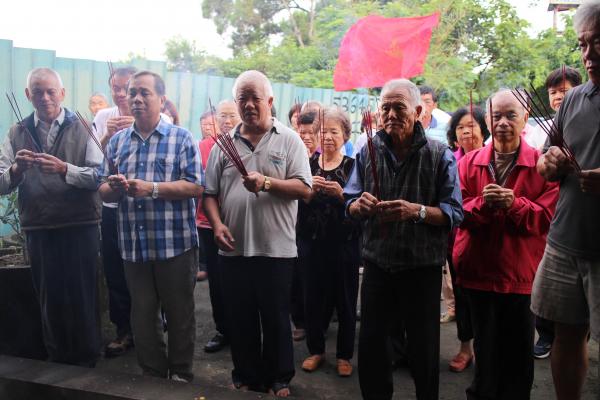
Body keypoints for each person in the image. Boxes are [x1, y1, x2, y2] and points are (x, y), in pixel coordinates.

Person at [345, 78, 463, 400]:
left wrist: (417, 211)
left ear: (419, 111)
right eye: (386, 107)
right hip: (377, 265)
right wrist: (358, 206)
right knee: (372, 346)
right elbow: (349, 202)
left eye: (400, 107)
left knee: (424, 350)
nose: (392, 114)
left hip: (421, 268)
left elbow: (454, 212)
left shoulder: (440, 155)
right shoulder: (366, 151)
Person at [203, 70, 312, 397]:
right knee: (240, 317)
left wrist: (267, 182)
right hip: (233, 248)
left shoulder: (289, 139)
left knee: (277, 318)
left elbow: (305, 189)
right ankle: (246, 374)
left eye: (255, 98)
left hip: (276, 249)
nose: (249, 105)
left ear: (270, 101)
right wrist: (218, 224)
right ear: (236, 103)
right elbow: (209, 193)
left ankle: (279, 377)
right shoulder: (223, 145)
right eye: (242, 99)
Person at [98, 70, 203, 382]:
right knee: (142, 315)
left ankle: (181, 374)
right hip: (133, 245)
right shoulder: (117, 143)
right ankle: (153, 374)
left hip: (175, 245)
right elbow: (103, 189)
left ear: (161, 99)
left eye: (144, 93)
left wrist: (151, 188)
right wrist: (115, 187)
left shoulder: (181, 138)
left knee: (179, 313)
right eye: (132, 93)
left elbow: (196, 186)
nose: (136, 99)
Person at [454, 90, 559, 400]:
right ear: (486, 120)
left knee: (517, 356)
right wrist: (483, 206)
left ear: (525, 118)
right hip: (478, 272)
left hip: (521, 276)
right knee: (485, 352)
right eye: (496, 116)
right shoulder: (469, 163)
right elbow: (455, 210)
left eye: (510, 115)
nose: (502, 123)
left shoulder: (542, 165)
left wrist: (515, 205)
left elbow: (549, 219)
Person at [0, 68, 103, 366]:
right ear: (27, 95)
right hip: (39, 225)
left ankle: (88, 359)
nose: (44, 97)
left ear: (62, 94)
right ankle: (58, 359)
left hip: (79, 223)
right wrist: (17, 170)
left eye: (50, 91)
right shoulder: (17, 131)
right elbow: (2, 183)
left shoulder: (83, 126)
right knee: (50, 297)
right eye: (37, 91)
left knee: (83, 295)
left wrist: (63, 169)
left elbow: (99, 176)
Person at [532, 3, 600, 399]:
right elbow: (544, 162)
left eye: (598, 42)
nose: (589, 55)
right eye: (583, 45)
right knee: (566, 334)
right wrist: (550, 162)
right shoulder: (573, 101)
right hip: (563, 242)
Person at [298, 106, 360, 377]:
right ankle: (316, 350)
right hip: (312, 245)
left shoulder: (354, 167)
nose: (328, 136)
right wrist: (306, 192)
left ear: (345, 134)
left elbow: (360, 205)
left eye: (334, 131)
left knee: (345, 300)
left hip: (344, 246)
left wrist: (341, 195)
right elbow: (296, 203)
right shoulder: (307, 165)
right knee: (312, 298)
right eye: (322, 131)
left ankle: (345, 355)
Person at [527, 66, 583, 359]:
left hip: (581, 220)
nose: (560, 96)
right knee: (548, 290)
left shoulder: (585, 116)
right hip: (555, 217)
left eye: (565, 90)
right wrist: (549, 163)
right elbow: (540, 166)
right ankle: (547, 335)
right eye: (554, 92)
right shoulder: (544, 128)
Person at [93, 65, 137, 358]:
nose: (120, 94)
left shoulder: (153, 116)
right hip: (111, 206)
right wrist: (107, 136)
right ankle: (124, 329)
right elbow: (93, 161)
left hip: (141, 207)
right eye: (116, 88)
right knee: (115, 270)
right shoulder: (102, 116)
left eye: (126, 88)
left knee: (144, 270)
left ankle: (151, 323)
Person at [444, 106, 490, 373]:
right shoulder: (448, 159)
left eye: (472, 125)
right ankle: (465, 347)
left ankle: (488, 348)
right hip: (456, 240)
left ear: (483, 129)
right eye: (461, 127)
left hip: (486, 238)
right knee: (462, 296)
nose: (466, 131)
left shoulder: (494, 158)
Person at [198, 100, 241, 353]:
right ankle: (222, 329)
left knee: (240, 279)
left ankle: (243, 328)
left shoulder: (248, 143)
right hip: (208, 224)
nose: (226, 121)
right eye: (222, 116)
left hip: (238, 222)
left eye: (231, 115)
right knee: (216, 280)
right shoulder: (204, 146)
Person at [524, 67, 583, 151]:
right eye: (553, 92)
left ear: (579, 91)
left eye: (564, 91)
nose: (557, 97)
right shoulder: (540, 129)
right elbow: (529, 157)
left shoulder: (589, 123)